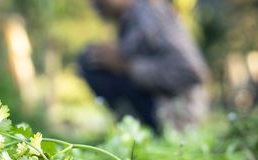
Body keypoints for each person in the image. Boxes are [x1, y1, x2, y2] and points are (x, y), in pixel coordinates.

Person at [79, 0, 210, 131]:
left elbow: (191, 71)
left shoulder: (149, 12)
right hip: (157, 108)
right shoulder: (127, 20)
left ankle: (141, 131)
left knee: (90, 62)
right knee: (94, 59)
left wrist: (127, 66)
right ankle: (132, 131)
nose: (94, 4)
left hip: (177, 115)